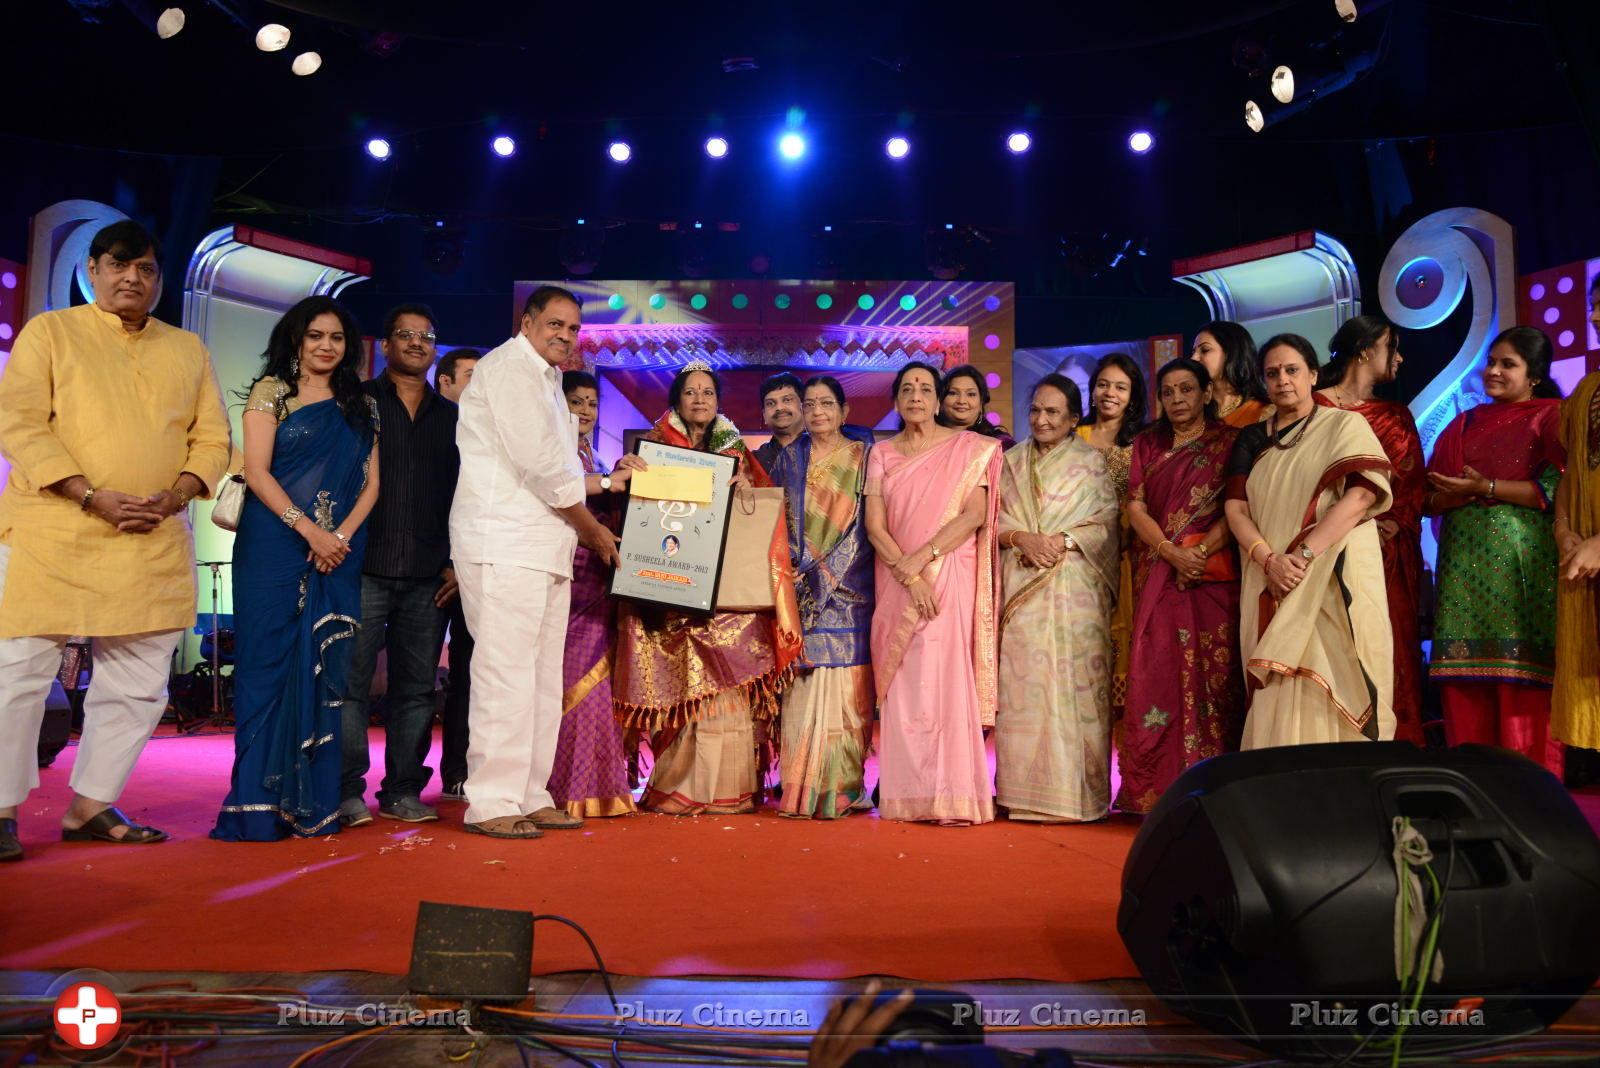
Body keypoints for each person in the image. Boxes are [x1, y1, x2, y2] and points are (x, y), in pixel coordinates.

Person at [0, 220, 230, 861]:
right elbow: (18, 421)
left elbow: (212, 438)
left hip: (150, 537)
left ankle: (90, 807)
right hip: (54, 529)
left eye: (147, 268)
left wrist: (177, 494)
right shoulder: (52, 332)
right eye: (120, 265)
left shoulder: (187, 349)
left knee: (137, 681)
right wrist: (85, 492)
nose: (134, 278)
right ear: (93, 271)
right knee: (18, 675)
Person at [449, 285, 621, 839]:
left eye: (572, 329)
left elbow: (560, 472)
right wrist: (593, 529)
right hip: (503, 541)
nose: (564, 337)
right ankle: (492, 801)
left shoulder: (549, 381)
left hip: (545, 547)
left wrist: (608, 481)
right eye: (554, 325)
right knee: (505, 674)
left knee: (543, 679)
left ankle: (530, 793)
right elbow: (543, 469)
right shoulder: (507, 371)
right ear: (526, 322)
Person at [213, 297, 380, 840]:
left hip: (338, 553)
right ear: (296, 340)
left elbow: (372, 483)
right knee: (266, 665)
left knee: (327, 668)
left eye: (335, 337)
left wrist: (340, 538)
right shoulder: (271, 394)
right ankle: (257, 807)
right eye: (315, 336)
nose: (326, 346)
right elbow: (257, 473)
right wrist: (311, 531)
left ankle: (311, 804)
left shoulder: (361, 406)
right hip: (274, 545)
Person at [612, 363, 803, 814]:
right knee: (678, 689)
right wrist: (626, 473)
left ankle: (728, 791)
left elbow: (766, 508)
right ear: (677, 401)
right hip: (670, 595)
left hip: (727, 596)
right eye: (691, 392)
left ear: (719, 403)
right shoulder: (655, 448)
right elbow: (633, 511)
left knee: (729, 688)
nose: (700, 399)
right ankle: (678, 787)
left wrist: (745, 485)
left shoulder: (735, 450)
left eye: (708, 393)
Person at [1224, 334, 1395, 748]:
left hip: (1331, 574)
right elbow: (1236, 510)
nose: (1282, 380)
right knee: (1278, 681)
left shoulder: (1344, 425)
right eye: (1272, 373)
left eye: (1292, 369)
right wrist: (1269, 561)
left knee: (1340, 668)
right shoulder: (1251, 439)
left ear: (1313, 375)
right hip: (1270, 578)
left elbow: (1362, 496)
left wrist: (1300, 558)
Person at [336, 304, 459, 828]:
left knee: (416, 689)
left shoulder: (454, 418)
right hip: (361, 565)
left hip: (430, 575)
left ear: (434, 349)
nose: (415, 343)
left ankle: (402, 790)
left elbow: (466, 496)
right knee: (351, 684)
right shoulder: (355, 404)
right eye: (404, 335)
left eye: (425, 337)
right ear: (384, 346)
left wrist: (457, 562)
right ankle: (345, 791)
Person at [865, 361, 1002, 825]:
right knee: (906, 685)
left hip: (949, 572)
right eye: (907, 389)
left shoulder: (969, 448)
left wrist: (923, 558)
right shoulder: (881, 453)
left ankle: (952, 796)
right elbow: (875, 527)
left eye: (926, 388)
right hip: (900, 578)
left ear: (939, 398)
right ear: (897, 400)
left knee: (945, 681)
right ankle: (907, 797)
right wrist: (910, 576)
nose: (916, 396)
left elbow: (974, 514)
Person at [1427, 328, 1566, 775]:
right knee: (1466, 682)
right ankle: (1475, 791)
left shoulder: (1551, 418)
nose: (1493, 371)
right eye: (1491, 361)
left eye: (1508, 364)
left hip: (1523, 568)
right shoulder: (1464, 423)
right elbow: (1428, 497)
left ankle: (1534, 797)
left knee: (1522, 682)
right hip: (1462, 572)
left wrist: (1484, 486)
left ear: (1535, 376)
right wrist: (1458, 494)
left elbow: (1555, 490)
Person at [1119, 358, 1244, 812]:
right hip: (1159, 570)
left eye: (1186, 389)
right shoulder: (1148, 443)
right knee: (1156, 673)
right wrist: (1171, 552)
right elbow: (1136, 507)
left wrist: (1200, 554)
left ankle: (1214, 788)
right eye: (1168, 391)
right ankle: (1151, 790)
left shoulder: (1230, 442)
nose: (1176, 400)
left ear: (1206, 393)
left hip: (1212, 578)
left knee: (1216, 676)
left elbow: (1239, 505)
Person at [995, 375, 1118, 822]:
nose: (1041, 420)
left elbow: (1105, 523)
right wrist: (1023, 538)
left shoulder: (1091, 464)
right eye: (1036, 411)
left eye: (1053, 413)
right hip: (1021, 588)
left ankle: (1076, 798)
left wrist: (1062, 541)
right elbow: (990, 522)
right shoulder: (1008, 463)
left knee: (1074, 690)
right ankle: (1021, 795)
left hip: (1074, 592)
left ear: (1072, 419)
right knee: (1023, 689)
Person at [767, 375, 875, 818]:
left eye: (827, 404)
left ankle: (844, 789)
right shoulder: (786, 460)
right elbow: (775, 522)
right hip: (795, 587)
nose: (817, 412)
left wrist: (828, 574)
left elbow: (867, 522)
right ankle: (800, 787)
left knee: (847, 694)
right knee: (803, 688)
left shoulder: (864, 458)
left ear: (845, 412)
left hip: (850, 586)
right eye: (809, 404)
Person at [1315, 314, 1426, 743]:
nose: (1399, 358)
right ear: (1365, 350)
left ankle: (1391, 750)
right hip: (1317, 548)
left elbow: (1411, 487)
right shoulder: (1312, 407)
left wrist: (1389, 526)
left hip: (1381, 559)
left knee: (1384, 648)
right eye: (1391, 347)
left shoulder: (1395, 416)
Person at [548, 370, 640, 817]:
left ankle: (597, 786)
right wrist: (610, 482)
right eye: (576, 402)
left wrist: (621, 475)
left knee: (598, 683)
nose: (585, 411)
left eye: (591, 403)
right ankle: (562, 786)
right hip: (565, 578)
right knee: (565, 681)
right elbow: (561, 497)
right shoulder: (554, 451)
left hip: (600, 581)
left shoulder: (594, 455)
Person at [1074, 352, 1147, 715]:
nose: (1110, 393)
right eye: (1103, 384)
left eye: (1121, 386)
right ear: (1091, 390)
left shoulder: (1145, 443)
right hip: (1080, 560)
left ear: (1133, 395)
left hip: (1129, 559)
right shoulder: (1075, 438)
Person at [432, 346, 481, 801]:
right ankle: (401, 781)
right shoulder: (432, 428)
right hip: (429, 571)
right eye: (469, 376)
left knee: (470, 674)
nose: (478, 384)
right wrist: (446, 562)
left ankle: (458, 770)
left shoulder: (485, 431)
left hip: (474, 568)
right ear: (443, 382)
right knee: (417, 680)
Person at [1553, 285, 1600, 754]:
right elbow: (1572, 470)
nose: (1597, 315)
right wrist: (1564, 528)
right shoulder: (1586, 388)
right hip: (1583, 551)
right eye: (1593, 306)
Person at [1192, 320, 1269, 427]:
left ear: (1232, 354)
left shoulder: (1263, 413)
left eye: (1205, 350)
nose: (1194, 358)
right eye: (1193, 352)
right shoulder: (1192, 412)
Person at [939, 364, 1016, 450]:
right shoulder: (928, 439)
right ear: (941, 400)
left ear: (981, 401)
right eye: (953, 393)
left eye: (971, 394)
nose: (961, 401)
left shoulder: (999, 443)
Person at [753, 371, 804, 474]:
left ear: (804, 406)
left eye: (787, 400)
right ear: (764, 415)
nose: (779, 408)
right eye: (770, 403)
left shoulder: (826, 452)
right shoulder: (753, 462)